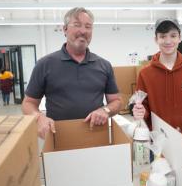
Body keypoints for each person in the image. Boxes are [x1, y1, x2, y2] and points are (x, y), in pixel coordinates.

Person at [22, 7, 122, 139]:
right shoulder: (45, 64)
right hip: (58, 138)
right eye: (77, 25)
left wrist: (105, 110)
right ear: (64, 29)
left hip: (96, 137)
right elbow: (28, 103)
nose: (83, 31)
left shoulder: (104, 65)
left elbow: (116, 101)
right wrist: (39, 117)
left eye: (88, 26)